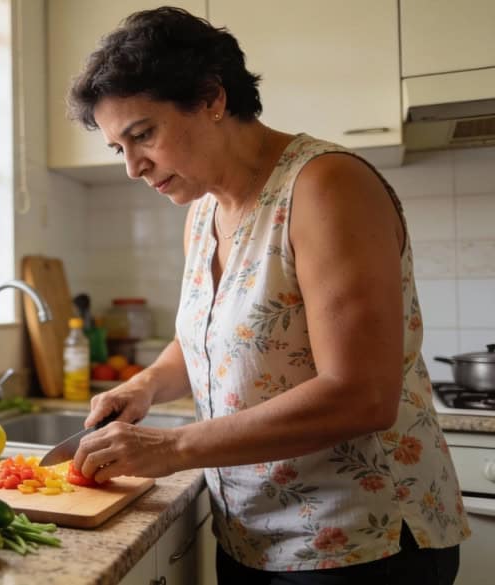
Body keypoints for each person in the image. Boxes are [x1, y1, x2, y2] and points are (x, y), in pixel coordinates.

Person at [66, 7, 469, 584]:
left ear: (211, 98)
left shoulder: (326, 186)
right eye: (117, 148)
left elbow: (361, 394)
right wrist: (145, 385)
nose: (132, 167)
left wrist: (174, 447)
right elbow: (210, 341)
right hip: (251, 534)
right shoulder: (201, 210)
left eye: (142, 134)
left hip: (360, 542)